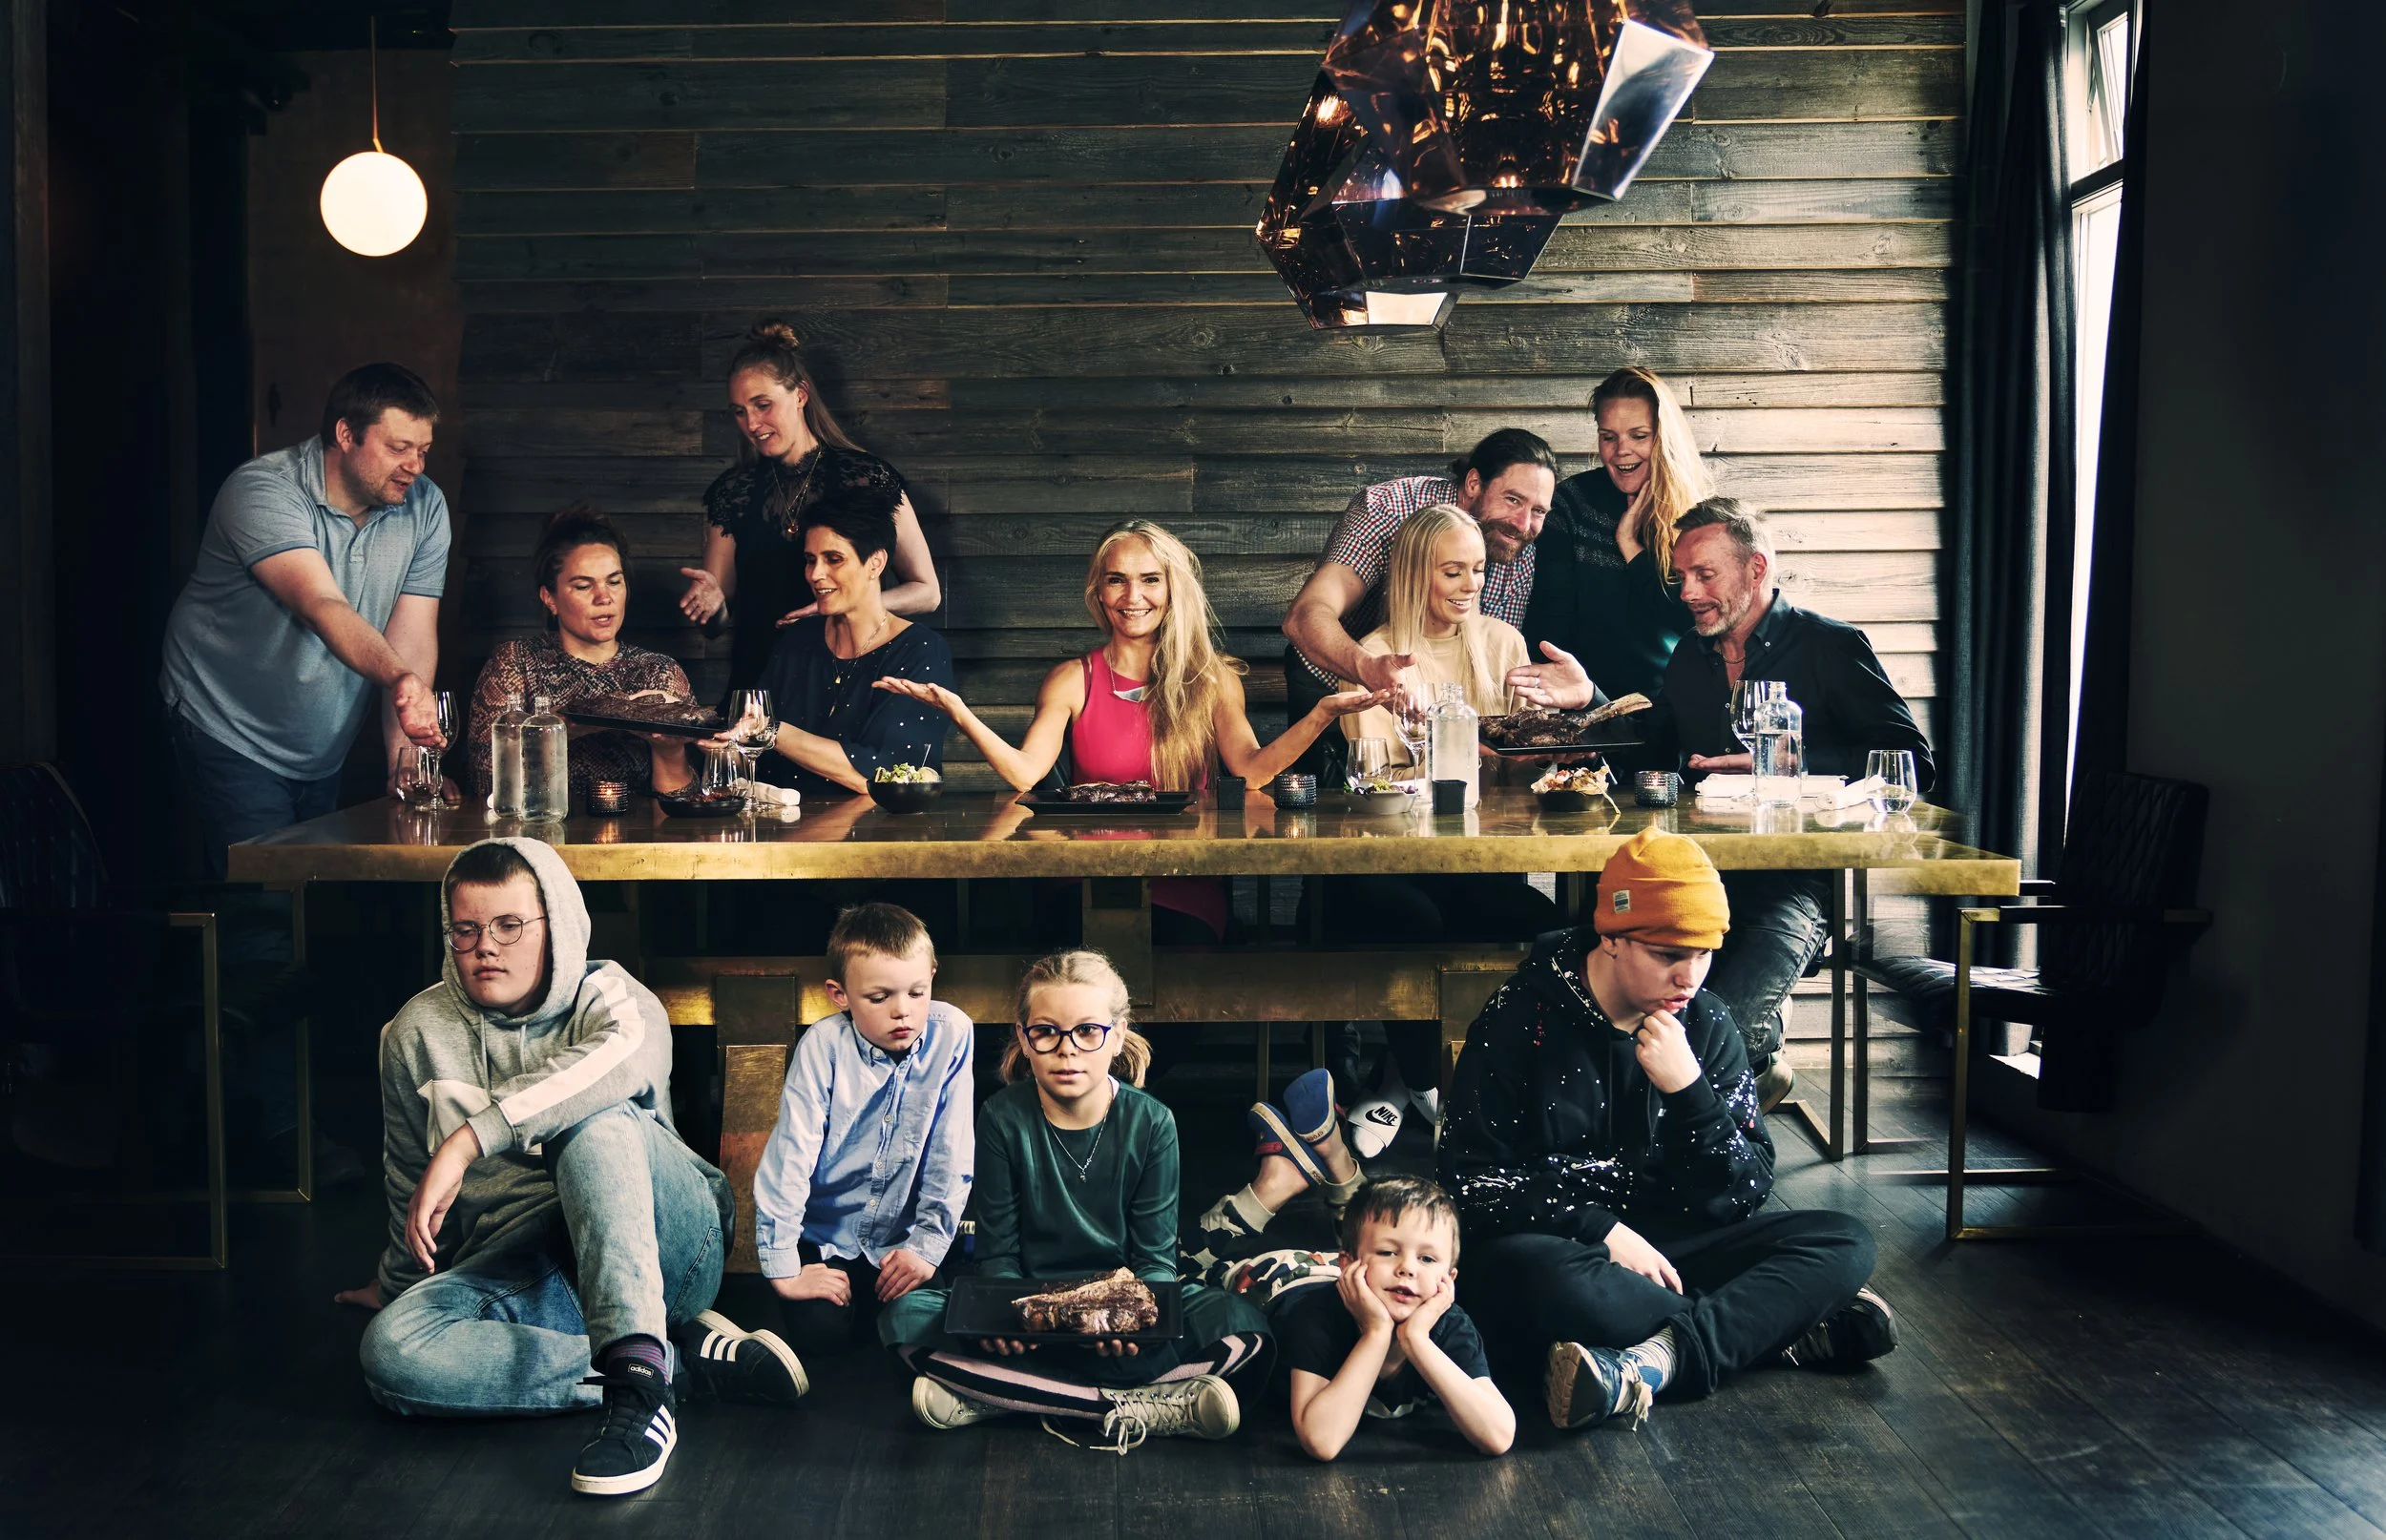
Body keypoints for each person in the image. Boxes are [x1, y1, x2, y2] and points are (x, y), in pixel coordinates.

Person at [338, 838, 806, 1497]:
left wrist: (472, 1138)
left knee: (592, 1117)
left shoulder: (613, 997)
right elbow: (410, 1178)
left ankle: (640, 1402)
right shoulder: (414, 1033)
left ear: (555, 924)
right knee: (393, 1352)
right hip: (533, 1270)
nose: (484, 948)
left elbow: (612, 1067)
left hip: (668, 1241)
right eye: (465, 930)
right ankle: (670, 1361)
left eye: (508, 926)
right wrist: (393, 1282)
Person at [1437, 827, 1897, 1432]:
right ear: (1610, 938)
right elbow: (1468, 1181)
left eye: (1704, 955)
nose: (1690, 977)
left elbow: (1744, 1192)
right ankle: (1772, 1327)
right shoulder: (1521, 1016)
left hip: (1677, 1251)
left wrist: (1691, 1095)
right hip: (1565, 1252)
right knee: (1526, 1281)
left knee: (1845, 1240)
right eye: (1667, 956)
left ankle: (1657, 1361)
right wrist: (1598, 1229)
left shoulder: (1706, 1025)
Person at [1509, 498, 1936, 1102]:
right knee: (1607, 1006)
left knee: (1712, 1033)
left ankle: (1732, 1110)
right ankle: (1749, 1077)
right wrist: (1590, 702)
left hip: (1795, 883)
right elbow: (1649, 745)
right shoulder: (1691, 655)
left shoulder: (1831, 646)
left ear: (1756, 569)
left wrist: (1785, 763)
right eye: (1681, 576)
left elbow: (1911, 762)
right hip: (1698, 878)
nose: (1687, 592)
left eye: (1704, 575)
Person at [876, 519, 1385, 945]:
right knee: (1076, 971)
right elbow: (1026, 773)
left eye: (1150, 579)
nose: (1133, 596)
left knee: (1172, 975)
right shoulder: (1073, 678)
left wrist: (1321, 714)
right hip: (1086, 882)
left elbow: (1251, 771)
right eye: (1117, 580)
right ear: (1098, 590)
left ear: (1172, 589)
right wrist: (960, 712)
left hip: (1185, 878)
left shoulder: (1211, 679)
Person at [879, 949, 1270, 1454]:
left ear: (1118, 1035)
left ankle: (1002, 1396)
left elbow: (1153, 1259)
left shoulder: (1152, 1123)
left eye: (1087, 1031)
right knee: (904, 1319)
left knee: (1245, 1326)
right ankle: (1149, 1403)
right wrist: (1005, 1317)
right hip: (1031, 1305)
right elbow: (998, 1251)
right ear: (1023, 1036)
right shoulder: (1002, 1117)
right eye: (1046, 1031)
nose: (1068, 1051)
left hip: (1120, 1307)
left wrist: (1138, 1326)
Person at [1316, 504, 1560, 1153]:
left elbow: (1520, 774)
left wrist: (1537, 743)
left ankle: (1462, 1080)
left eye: (1478, 570)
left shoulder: (1504, 644)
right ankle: (1431, 1084)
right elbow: (1378, 783)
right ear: (1415, 573)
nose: (1469, 585)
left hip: (1479, 859)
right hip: (1396, 859)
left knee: (1544, 928)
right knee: (1413, 921)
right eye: (1452, 571)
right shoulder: (1376, 657)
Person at [161, 362, 450, 877]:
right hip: (227, 721)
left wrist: (406, 762)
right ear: (345, 434)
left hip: (319, 740)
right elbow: (323, 606)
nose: (416, 467)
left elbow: (411, 635)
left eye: (423, 450)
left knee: (312, 900)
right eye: (398, 448)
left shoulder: (425, 507)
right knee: (265, 907)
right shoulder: (262, 491)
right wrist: (399, 677)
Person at [1173, 1079, 1513, 1461]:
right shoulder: (1314, 1320)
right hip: (1279, 1279)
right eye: (1391, 1254)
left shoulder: (1447, 1326)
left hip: (1350, 1269)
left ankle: (1335, 1159)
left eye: (1428, 1260)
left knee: (1375, 1229)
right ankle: (1275, 1185)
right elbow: (1322, 1440)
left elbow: (1498, 1435)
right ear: (1348, 1266)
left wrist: (1417, 1339)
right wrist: (1377, 1333)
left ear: (1448, 1281)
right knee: (1174, 1273)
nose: (1407, 1270)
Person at [752, 903, 974, 1356]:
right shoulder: (823, 1047)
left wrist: (927, 1247)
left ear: (932, 974)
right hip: (828, 1239)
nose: (902, 1013)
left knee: (924, 1328)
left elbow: (951, 1152)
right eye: (879, 998)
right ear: (840, 995)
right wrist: (784, 1268)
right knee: (821, 1337)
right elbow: (790, 1157)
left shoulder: (952, 1032)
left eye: (917, 992)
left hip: (901, 1242)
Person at [680, 320, 941, 699]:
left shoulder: (868, 476)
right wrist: (713, 605)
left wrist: (833, 606)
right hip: (761, 684)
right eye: (739, 412)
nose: (752, 424)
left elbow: (927, 592)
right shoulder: (730, 493)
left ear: (800, 395)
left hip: (848, 677)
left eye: (763, 405)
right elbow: (717, 624)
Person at [1281, 428, 1560, 778]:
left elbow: (1488, 657)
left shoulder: (1513, 540)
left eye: (1538, 510)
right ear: (1473, 483)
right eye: (1513, 500)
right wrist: (1368, 670)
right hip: (1339, 668)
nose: (1524, 523)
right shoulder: (1385, 510)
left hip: (1442, 693)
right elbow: (1305, 616)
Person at [464, 506, 697, 803]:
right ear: (550, 598)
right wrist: (560, 729)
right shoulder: (516, 662)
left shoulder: (658, 671)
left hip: (639, 842)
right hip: (539, 839)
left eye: (614, 581)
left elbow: (684, 807)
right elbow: (486, 782)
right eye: (583, 586)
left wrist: (669, 749)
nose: (604, 597)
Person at [740, 493, 955, 799]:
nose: (815, 575)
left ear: (875, 563)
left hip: (876, 835)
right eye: (810, 560)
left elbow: (882, 774)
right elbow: (750, 745)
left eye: (834, 559)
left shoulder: (921, 650)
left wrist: (771, 732)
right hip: (778, 826)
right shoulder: (797, 640)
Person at [1523, 366, 1714, 704]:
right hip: (1579, 702)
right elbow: (1550, 622)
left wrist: (1631, 546)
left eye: (1639, 436)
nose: (1621, 450)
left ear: (1664, 438)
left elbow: (1692, 620)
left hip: (1669, 706)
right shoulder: (1570, 504)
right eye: (1608, 437)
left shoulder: (1694, 515)